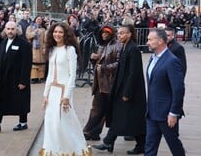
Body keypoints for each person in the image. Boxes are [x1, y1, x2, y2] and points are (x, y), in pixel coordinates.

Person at [92, 24, 146, 155]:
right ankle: (111, 142)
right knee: (123, 116)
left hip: (130, 91)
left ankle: (110, 141)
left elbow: (133, 73)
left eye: (122, 33)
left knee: (125, 117)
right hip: (121, 87)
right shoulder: (125, 47)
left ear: (129, 34)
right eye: (119, 33)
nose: (119, 35)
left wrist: (127, 92)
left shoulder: (133, 50)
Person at [40, 23, 91, 156]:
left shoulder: (70, 50)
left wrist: (67, 96)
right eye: (55, 32)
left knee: (63, 123)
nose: (57, 34)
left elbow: (72, 75)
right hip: (52, 91)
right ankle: (53, 151)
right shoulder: (51, 50)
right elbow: (50, 73)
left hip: (64, 92)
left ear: (66, 34)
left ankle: (72, 150)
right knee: (51, 123)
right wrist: (45, 94)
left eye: (60, 32)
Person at [145, 28, 185, 156]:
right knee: (150, 145)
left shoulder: (171, 61)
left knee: (174, 144)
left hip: (166, 114)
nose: (147, 42)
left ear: (161, 41)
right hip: (152, 112)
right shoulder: (153, 58)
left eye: (150, 40)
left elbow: (178, 89)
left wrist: (174, 112)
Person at [0, 21, 32, 132]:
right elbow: (1, 60)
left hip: (18, 78)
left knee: (21, 100)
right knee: (1, 100)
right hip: (5, 78)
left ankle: (23, 122)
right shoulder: (3, 42)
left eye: (12, 29)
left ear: (16, 30)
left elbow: (26, 64)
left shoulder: (24, 44)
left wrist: (23, 81)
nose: (10, 31)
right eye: (8, 29)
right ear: (5, 30)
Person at [83, 24, 121, 140]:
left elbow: (119, 63)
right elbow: (98, 63)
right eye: (103, 33)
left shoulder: (117, 46)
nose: (104, 35)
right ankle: (91, 132)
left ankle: (90, 131)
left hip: (109, 82)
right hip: (100, 82)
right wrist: (93, 59)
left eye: (107, 33)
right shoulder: (102, 46)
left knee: (102, 109)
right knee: (97, 108)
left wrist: (105, 67)